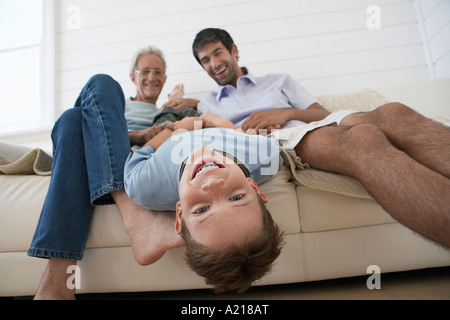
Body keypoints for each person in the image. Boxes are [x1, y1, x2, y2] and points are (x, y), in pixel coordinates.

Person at [190, 28, 450, 248]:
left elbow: (322, 114)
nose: (213, 64)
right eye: (205, 61)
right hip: (281, 140)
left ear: (233, 50)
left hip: (309, 122)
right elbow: (214, 138)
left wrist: (287, 111)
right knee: (363, 138)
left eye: (217, 53)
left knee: (394, 112)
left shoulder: (279, 80)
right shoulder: (207, 104)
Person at [28, 46, 193, 300]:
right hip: (110, 150)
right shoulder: (114, 105)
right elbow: (99, 133)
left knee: (73, 119)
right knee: (87, 102)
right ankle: (135, 216)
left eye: (158, 72)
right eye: (145, 70)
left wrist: (179, 106)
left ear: (165, 79)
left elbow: (192, 126)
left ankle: (57, 283)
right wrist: (137, 135)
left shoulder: (168, 110)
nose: (152, 76)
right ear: (133, 76)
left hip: (136, 157)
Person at [124, 114, 284, 293]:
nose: (213, 184)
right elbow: (239, 134)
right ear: (254, 188)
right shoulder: (267, 155)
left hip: (169, 124)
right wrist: (212, 122)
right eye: (237, 198)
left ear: (180, 214)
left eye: (202, 209)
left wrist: (175, 128)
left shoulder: (144, 184)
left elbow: (142, 154)